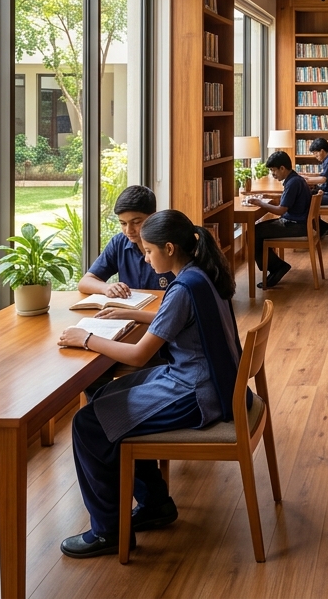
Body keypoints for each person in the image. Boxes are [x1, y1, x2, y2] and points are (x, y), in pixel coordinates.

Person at [57, 210, 244, 558]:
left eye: (147, 250)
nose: (144, 257)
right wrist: (134, 313)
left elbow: (140, 356)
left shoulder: (183, 288)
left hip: (196, 394)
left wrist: (85, 338)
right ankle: (155, 504)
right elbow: (181, 318)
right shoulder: (199, 274)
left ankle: (109, 531)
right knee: (106, 393)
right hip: (206, 380)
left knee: (88, 423)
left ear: (169, 248)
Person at [77, 186, 174, 310]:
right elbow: (85, 282)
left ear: (153, 216)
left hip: (164, 315)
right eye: (123, 223)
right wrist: (106, 288)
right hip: (131, 316)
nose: (129, 231)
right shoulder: (119, 243)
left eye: (136, 222)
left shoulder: (169, 245)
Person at [244, 150, 315, 289]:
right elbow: (285, 203)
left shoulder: (293, 183)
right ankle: (275, 266)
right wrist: (265, 196)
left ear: (282, 168)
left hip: (296, 226)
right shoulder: (294, 179)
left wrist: (260, 203)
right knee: (257, 230)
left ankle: (277, 267)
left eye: (273, 170)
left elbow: (281, 210)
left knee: (253, 233)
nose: (272, 174)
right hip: (299, 223)